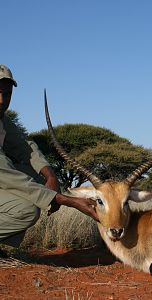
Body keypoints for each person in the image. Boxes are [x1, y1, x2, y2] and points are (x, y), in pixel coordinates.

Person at [0, 64, 99, 249]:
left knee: (35, 177)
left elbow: (25, 147)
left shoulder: (2, 120)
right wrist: (69, 201)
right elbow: (8, 176)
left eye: (7, 94)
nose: (1, 100)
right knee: (25, 210)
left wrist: (51, 175)